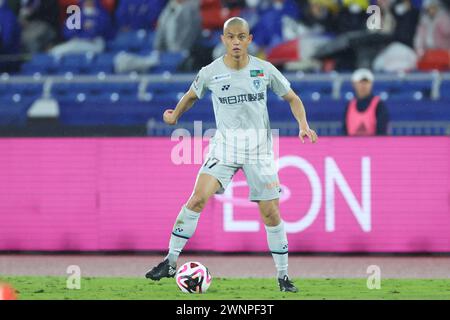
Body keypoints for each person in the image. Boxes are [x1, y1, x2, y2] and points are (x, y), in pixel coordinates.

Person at [145, 17, 318, 292]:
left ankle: (283, 276)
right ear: (223, 40)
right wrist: (175, 115)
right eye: (230, 37)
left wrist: (303, 125)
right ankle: (170, 260)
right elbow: (192, 95)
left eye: (241, 37)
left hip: (259, 150)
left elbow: (293, 98)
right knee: (198, 198)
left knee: (271, 213)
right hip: (224, 147)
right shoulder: (211, 72)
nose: (236, 42)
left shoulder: (265, 70)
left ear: (249, 39)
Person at [343, 69, 389, 136]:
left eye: (366, 82)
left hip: (373, 145)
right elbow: (345, 129)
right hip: (352, 145)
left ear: (371, 84)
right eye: (360, 82)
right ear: (354, 84)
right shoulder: (349, 105)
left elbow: (382, 131)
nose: (363, 85)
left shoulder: (379, 105)